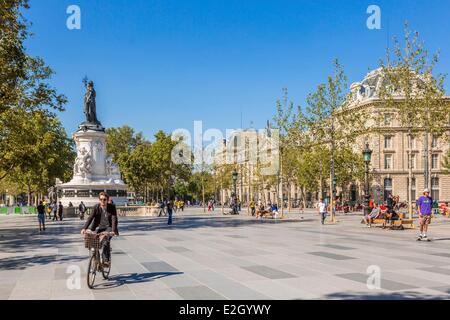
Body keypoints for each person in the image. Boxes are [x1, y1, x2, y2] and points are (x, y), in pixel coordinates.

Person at [80, 192, 119, 265]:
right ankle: (96, 257)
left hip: (109, 227)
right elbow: (90, 218)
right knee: (94, 241)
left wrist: (113, 231)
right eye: (101, 199)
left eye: (104, 199)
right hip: (100, 226)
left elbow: (114, 219)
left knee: (105, 241)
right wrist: (84, 228)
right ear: (99, 200)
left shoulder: (112, 207)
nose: (102, 201)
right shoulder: (96, 207)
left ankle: (105, 260)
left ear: (107, 200)